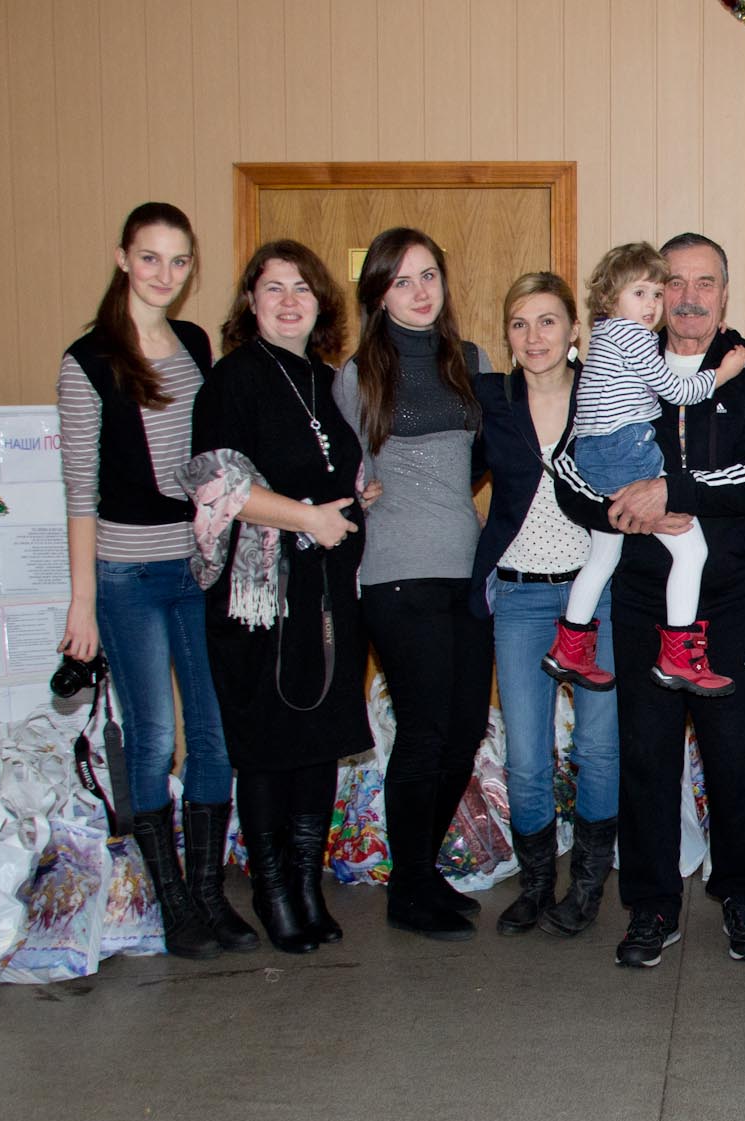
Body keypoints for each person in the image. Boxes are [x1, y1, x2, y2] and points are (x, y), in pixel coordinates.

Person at [553, 232, 745, 968]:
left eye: (704, 282)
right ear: (654, 292)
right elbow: (568, 467)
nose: (687, 298)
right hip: (640, 602)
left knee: (734, 758)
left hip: (729, 601)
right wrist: (633, 509)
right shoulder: (619, 360)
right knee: (647, 759)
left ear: (725, 293)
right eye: (673, 283)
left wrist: (672, 492)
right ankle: (651, 905)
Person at [57, 202, 250, 960]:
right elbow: (81, 492)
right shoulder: (88, 361)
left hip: (197, 565)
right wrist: (82, 604)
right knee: (154, 736)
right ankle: (171, 901)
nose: (164, 274)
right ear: (122, 258)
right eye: (150, 258)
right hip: (127, 572)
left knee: (214, 732)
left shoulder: (196, 343)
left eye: (178, 260)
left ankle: (206, 893)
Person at [183, 239, 372, 955]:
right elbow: (215, 482)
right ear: (250, 302)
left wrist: (357, 494)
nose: (290, 301)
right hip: (258, 597)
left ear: (321, 303)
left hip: (326, 594)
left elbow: (334, 463)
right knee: (269, 746)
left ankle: (306, 883)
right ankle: (271, 889)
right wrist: (308, 518)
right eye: (273, 288)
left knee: (318, 743)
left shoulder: (328, 381)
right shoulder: (232, 380)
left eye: (302, 288)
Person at [334, 226, 493, 940]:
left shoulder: (471, 361)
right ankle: (408, 889)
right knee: (424, 733)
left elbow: (485, 457)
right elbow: (338, 472)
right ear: (378, 294)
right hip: (396, 576)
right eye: (401, 280)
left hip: (467, 572)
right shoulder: (358, 374)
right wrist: (354, 492)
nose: (420, 291)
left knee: (464, 732)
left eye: (428, 275)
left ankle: (421, 872)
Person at [469, 272, 620, 939]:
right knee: (527, 755)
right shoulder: (491, 399)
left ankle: (586, 886)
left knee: (598, 747)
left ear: (574, 329)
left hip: (597, 594)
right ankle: (535, 884)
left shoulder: (605, 391)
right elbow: (452, 468)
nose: (534, 337)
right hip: (521, 598)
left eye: (548, 321)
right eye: (520, 323)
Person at [544, 243, 745, 696]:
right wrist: (724, 371)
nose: (652, 305)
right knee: (692, 551)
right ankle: (680, 654)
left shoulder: (604, 337)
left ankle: (570, 647)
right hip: (626, 453)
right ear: (610, 297)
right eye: (640, 294)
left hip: (596, 456)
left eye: (657, 294)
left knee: (603, 557)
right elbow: (678, 389)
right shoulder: (634, 337)